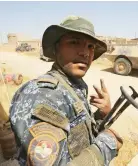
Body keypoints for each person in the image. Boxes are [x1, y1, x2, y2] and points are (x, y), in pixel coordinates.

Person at [9, 15, 123, 166]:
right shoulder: (42, 95)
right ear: (56, 48)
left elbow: (77, 136)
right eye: (74, 42)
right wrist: (107, 144)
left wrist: (101, 115)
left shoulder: (73, 85)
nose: (86, 53)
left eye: (91, 46)